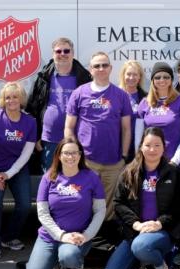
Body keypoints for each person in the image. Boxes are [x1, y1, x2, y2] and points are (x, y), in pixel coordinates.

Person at [104, 127, 180, 269]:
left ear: (164, 147)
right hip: (136, 232)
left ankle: (163, 267)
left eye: (157, 145)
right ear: (141, 146)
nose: (152, 149)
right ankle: (146, 259)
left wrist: (159, 223)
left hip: (164, 231)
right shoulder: (129, 172)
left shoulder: (174, 172)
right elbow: (118, 203)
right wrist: (135, 224)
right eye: (148, 145)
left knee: (141, 246)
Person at [26, 137, 106, 269]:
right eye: (66, 153)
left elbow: (100, 210)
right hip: (50, 237)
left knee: (68, 255)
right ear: (59, 155)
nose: (71, 157)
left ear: (81, 155)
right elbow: (42, 213)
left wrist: (87, 235)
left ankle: (74, 267)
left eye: (75, 153)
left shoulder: (92, 177)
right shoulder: (48, 177)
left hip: (78, 236)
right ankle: (56, 263)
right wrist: (61, 235)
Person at [64, 51, 132, 221]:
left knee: (108, 204)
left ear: (110, 68)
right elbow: (69, 127)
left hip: (114, 161)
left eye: (104, 65)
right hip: (87, 160)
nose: (101, 69)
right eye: (97, 66)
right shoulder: (79, 93)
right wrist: (74, 155)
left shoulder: (121, 95)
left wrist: (123, 156)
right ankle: (86, 238)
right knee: (84, 199)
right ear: (90, 70)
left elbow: (126, 129)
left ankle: (104, 238)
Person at [0, 82, 37, 259]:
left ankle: (9, 237)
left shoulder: (30, 122)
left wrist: (9, 174)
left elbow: (27, 153)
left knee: (25, 205)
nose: (11, 100)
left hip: (17, 169)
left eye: (15, 96)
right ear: (3, 100)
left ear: (21, 99)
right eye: (7, 97)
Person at [26, 37, 91, 173]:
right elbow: (33, 108)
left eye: (66, 51)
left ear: (72, 54)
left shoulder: (84, 78)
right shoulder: (43, 77)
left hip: (77, 139)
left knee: (75, 180)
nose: (62, 54)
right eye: (58, 51)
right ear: (53, 54)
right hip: (49, 139)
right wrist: (36, 136)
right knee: (51, 179)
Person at [135, 62, 180, 167]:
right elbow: (138, 137)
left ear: (171, 80)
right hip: (148, 162)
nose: (162, 80)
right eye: (157, 77)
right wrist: (139, 158)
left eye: (166, 77)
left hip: (172, 163)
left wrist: (175, 161)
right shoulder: (144, 103)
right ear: (153, 80)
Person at [119, 60, 147, 162]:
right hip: (118, 146)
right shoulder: (114, 95)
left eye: (135, 75)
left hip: (139, 147)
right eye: (128, 74)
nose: (131, 78)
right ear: (123, 75)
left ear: (140, 77)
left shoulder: (146, 97)